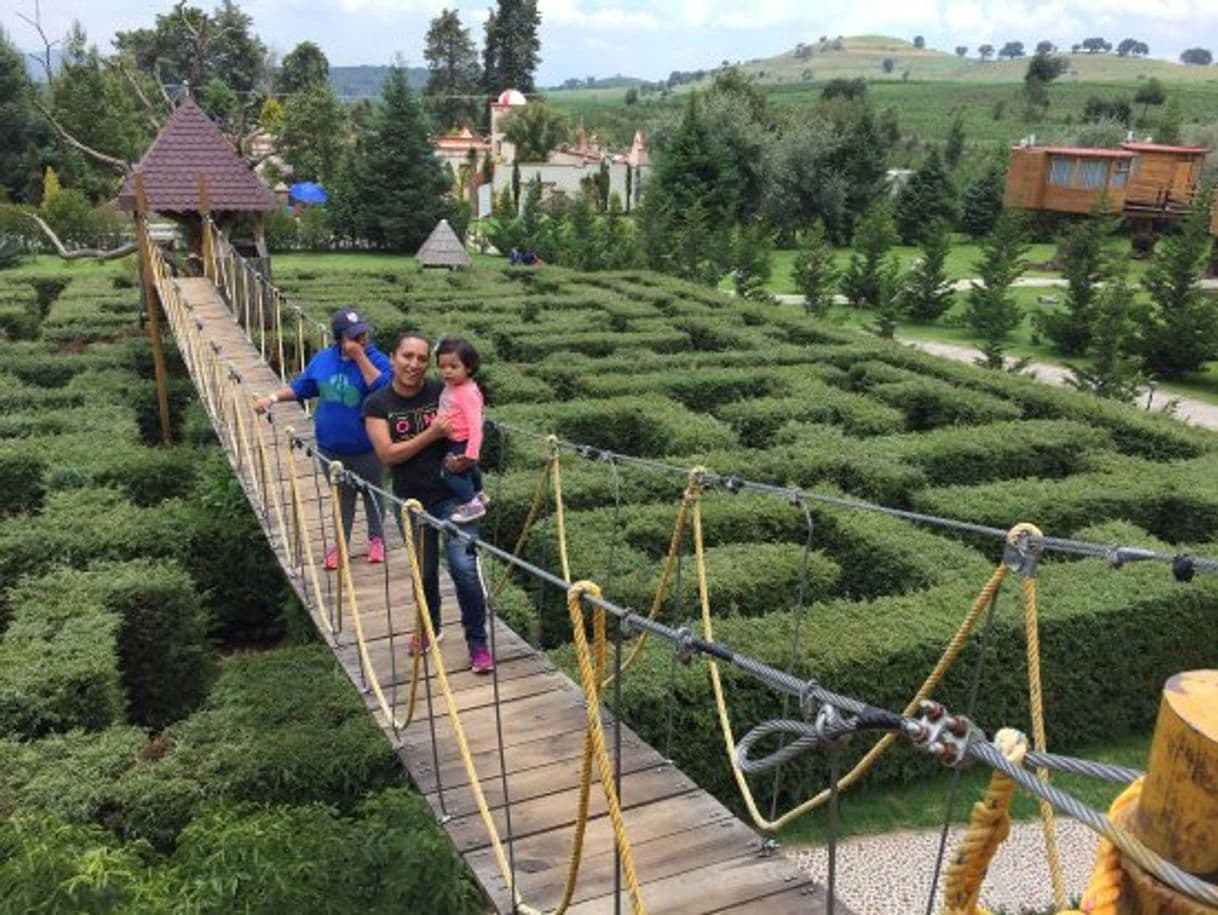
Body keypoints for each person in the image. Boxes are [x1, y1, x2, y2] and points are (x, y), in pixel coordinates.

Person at [363, 332, 495, 674]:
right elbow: (388, 455)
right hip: (412, 502)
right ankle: (430, 626)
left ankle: (478, 644)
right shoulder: (377, 405)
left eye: (422, 359)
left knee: (464, 571)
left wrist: (472, 472)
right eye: (408, 356)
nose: (414, 364)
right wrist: (432, 434)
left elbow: (472, 415)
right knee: (424, 573)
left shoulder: (444, 388)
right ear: (393, 357)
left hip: (453, 497)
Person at [255, 308, 391, 569]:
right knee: (343, 497)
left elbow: (385, 390)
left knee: (372, 493)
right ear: (340, 338)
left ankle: (377, 539)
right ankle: (341, 545)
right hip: (330, 448)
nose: (362, 338)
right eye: (355, 336)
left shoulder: (377, 359)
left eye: (363, 333)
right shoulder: (323, 359)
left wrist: (361, 358)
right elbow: (302, 387)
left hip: (368, 448)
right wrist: (271, 399)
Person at [435, 337, 488, 524]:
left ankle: (472, 504)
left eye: (453, 366)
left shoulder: (467, 393)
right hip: (456, 438)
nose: (447, 371)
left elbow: (476, 425)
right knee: (471, 471)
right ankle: (479, 494)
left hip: (461, 440)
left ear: (469, 367)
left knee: (450, 473)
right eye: (442, 366)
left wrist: (471, 453)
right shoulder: (455, 386)